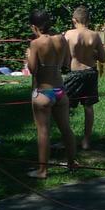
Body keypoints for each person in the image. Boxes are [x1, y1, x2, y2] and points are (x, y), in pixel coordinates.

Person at [27, 10, 78, 179]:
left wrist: (29, 56)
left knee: (43, 131)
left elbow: (33, 70)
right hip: (60, 91)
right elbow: (66, 63)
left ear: (34, 26)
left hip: (43, 91)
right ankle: (72, 162)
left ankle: (43, 170)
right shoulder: (61, 39)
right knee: (66, 129)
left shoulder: (36, 44)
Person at [63, 7, 105, 151]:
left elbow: (63, 56)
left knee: (65, 106)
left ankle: (67, 139)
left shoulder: (69, 34)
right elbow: (103, 58)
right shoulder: (95, 35)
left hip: (75, 73)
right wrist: (92, 53)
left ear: (74, 20)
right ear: (88, 20)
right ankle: (86, 140)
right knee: (88, 106)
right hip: (91, 72)